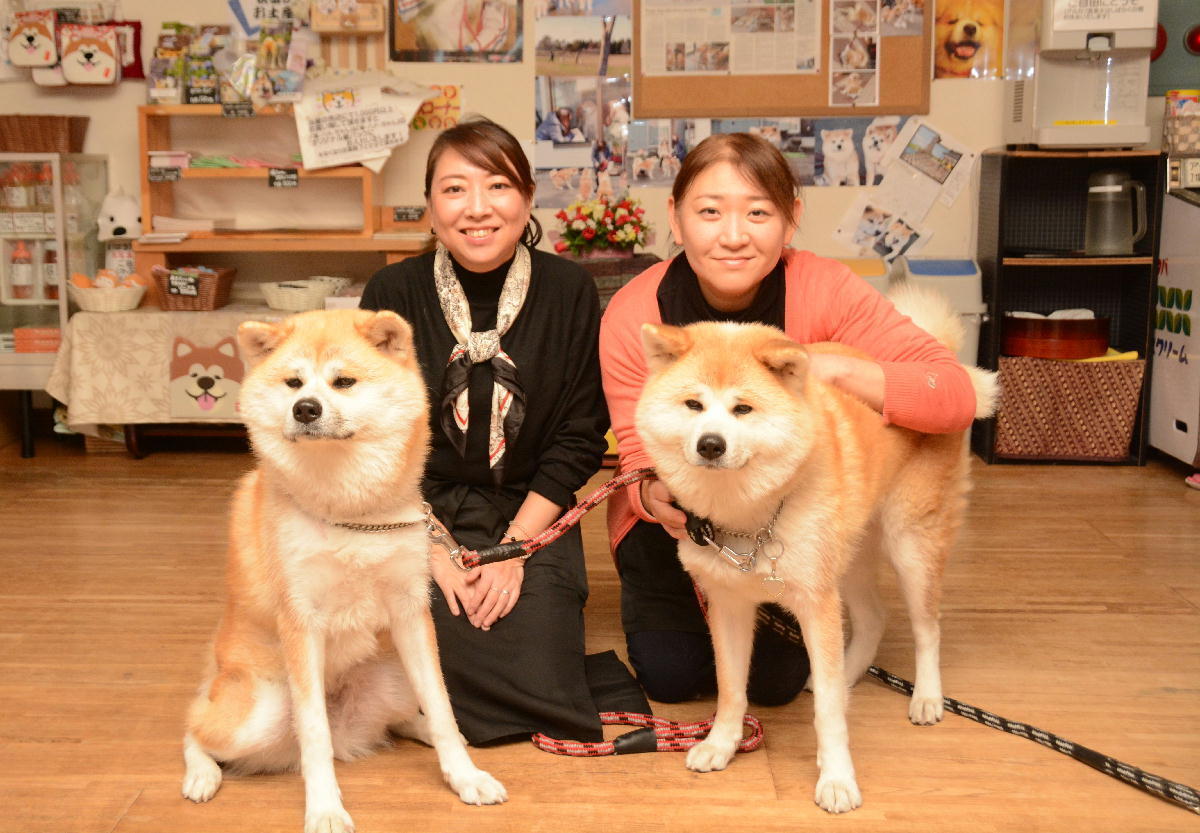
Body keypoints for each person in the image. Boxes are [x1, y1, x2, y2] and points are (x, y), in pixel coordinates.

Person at [599, 132, 978, 705]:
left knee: (775, 685)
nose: (733, 235)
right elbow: (634, 445)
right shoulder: (636, 313)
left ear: (791, 219)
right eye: (709, 212)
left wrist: (837, 369)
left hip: (786, 519)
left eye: (758, 213)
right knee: (670, 675)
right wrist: (651, 493)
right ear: (675, 219)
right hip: (679, 526)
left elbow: (953, 395)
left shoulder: (825, 289)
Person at [360, 118, 623, 745]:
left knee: (539, 665)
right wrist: (432, 550)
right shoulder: (393, 290)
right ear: (430, 207)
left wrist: (511, 553)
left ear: (527, 199)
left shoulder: (568, 289)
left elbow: (580, 435)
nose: (477, 208)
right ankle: (418, 698)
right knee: (425, 622)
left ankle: (424, 704)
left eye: (498, 186)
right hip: (414, 511)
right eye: (454, 189)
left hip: (529, 509)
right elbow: (370, 434)